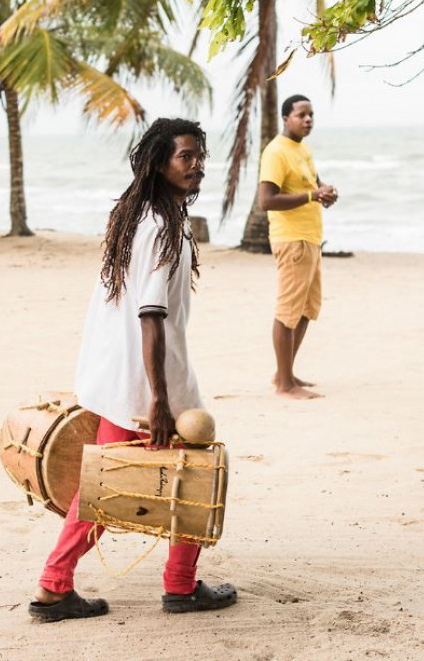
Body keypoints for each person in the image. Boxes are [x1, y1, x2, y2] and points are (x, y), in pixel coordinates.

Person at [27, 118, 237, 622]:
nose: (196, 166)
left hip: (118, 379)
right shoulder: (162, 227)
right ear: (158, 162)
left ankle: (55, 586)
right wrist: (160, 401)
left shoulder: (137, 214)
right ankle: (180, 586)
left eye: (199, 157)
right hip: (149, 383)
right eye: (185, 157)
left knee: (102, 488)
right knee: (193, 475)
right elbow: (150, 314)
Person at [257, 94, 338, 400]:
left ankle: (285, 371)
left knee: (306, 309)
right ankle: (284, 385)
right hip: (292, 239)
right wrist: (311, 197)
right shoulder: (276, 151)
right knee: (288, 310)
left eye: (311, 115)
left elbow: (313, 187)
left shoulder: (302, 149)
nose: (308, 120)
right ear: (285, 118)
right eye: (301, 114)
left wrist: (325, 193)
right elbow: (266, 200)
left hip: (311, 237)